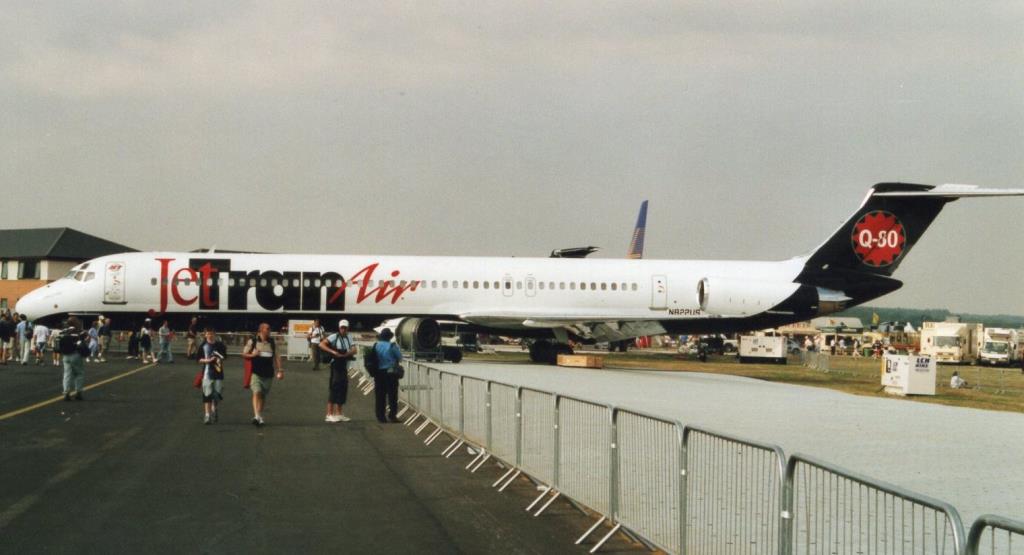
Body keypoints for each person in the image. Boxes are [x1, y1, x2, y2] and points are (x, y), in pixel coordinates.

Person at [241, 323, 283, 426]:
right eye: (267, 329)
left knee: (263, 395)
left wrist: (280, 370)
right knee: (256, 392)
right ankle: (256, 415)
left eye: (269, 329)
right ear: (261, 330)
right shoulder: (253, 341)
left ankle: (259, 416)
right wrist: (253, 354)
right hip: (255, 372)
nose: (269, 330)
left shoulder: (273, 343)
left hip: (268, 374)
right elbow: (244, 354)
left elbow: (277, 357)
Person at [319, 320, 356, 423]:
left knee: (343, 388)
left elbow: (354, 349)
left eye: (345, 328)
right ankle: (329, 414)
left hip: (344, 364)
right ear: (339, 328)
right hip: (335, 364)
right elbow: (321, 344)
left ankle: (339, 413)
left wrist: (347, 354)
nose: (343, 330)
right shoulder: (334, 336)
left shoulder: (349, 337)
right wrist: (333, 352)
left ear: (348, 328)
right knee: (334, 387)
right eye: (342, 328)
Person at [372, 328, 404, 423]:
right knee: (392, 395)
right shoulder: (392, 346)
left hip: (379, 373)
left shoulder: (376, 345)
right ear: (389, 337)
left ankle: (380, 416)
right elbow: (400, 357)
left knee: (380, 395)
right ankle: (392, 415)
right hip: (391, 373)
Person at [197, 327, 228, 425]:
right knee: (207, 395)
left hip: (218, 373)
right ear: (205, 335)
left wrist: (218, 358)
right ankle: (207, 415)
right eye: (208, 334)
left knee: (217, 394)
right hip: (207, 374)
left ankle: (214, 407)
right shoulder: (203, 345)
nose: (209, 335)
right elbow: (199, 359)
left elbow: (225, 357)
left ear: (214, 334)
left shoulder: (220, 345)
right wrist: (208, 361)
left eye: (211, 334)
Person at [59, 316, 88, 401]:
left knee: (67, 374)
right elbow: (85, 339)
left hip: (65, 355)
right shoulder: (79, 332)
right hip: (75, 354)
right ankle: (78, 392)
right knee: (79, 373)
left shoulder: (64, 331)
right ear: (76, 322)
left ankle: (66, 393)